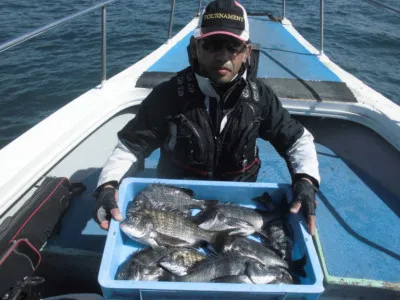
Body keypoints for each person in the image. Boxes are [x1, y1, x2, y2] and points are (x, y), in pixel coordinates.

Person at [94, 0, 320, 235]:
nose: (222, 56)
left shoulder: (261, 98)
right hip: (175, 205)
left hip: (238, 202)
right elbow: (130, 146)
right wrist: (108, 185)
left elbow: (297, 139)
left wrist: (305, 180)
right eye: (212, 45)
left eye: (233, 46)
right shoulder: (168, 95)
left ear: (247, 52)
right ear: (195, 47)